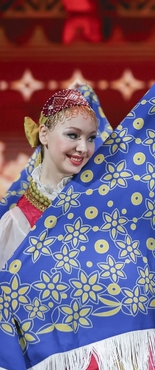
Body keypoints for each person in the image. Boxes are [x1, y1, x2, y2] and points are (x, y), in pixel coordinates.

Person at [0, 89, 98, 268]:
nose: (84, 148)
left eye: (91, 138)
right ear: (44, 134)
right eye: (73, 135)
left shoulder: (99, 208)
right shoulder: (16, 223)